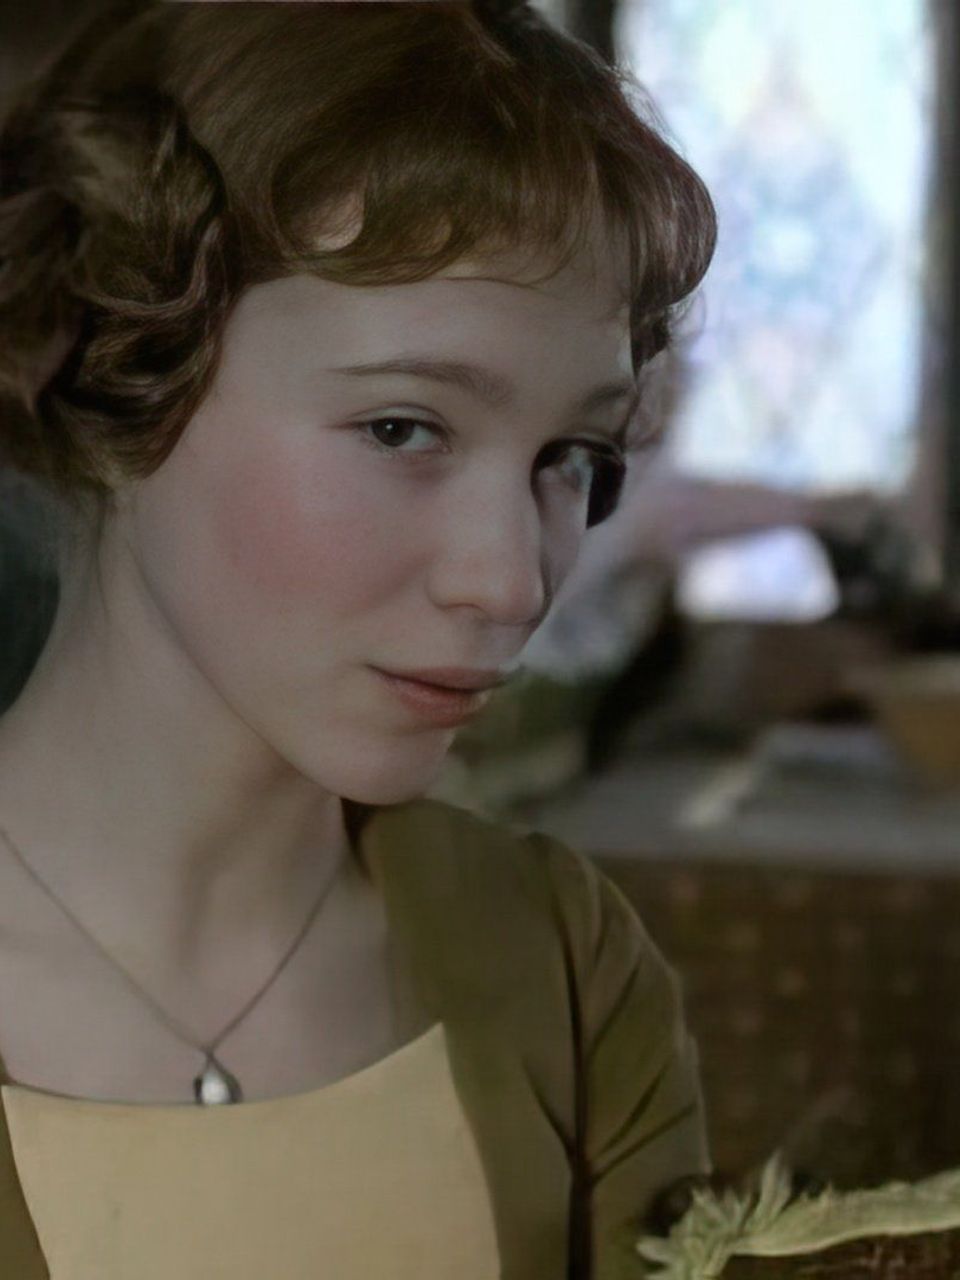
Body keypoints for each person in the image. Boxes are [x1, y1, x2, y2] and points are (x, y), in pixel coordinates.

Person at [0, 2, 717, 1275]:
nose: (511, 580)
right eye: (403, 428)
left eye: (572, 454)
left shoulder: (562, 961)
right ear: (117, 356)